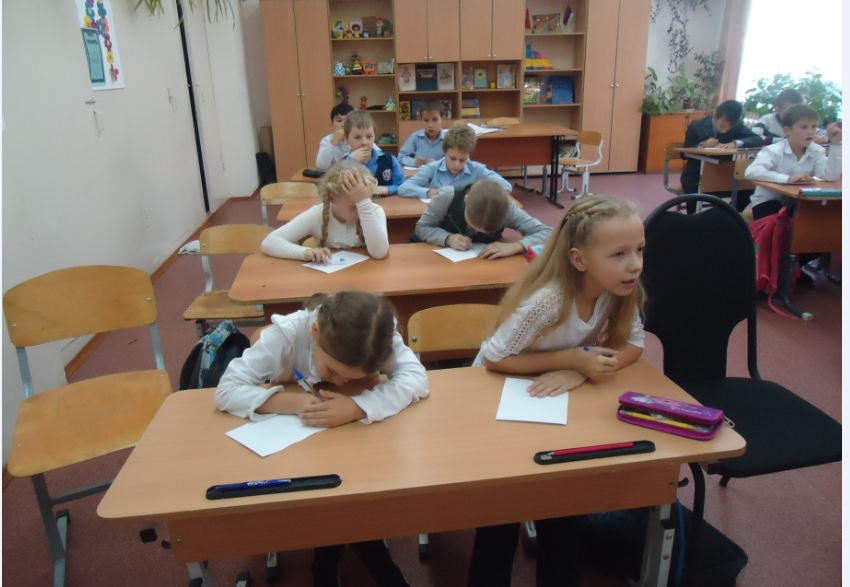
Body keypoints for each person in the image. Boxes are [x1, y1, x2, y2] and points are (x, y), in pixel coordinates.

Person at [468, 195, 646, 587]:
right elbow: (495, 359)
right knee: (502, 511)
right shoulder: (548, 300)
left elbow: (634, 345)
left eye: (639, 250)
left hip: (551, 395)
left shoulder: (620, 289)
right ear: (579, 260)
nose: (635, 264)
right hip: (497, 393)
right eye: (619, 254)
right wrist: (573, 359)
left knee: (564, 503)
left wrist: (580, 370)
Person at [215, 290, 428, 587]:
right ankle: (358, 566)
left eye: (352, 379)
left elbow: (416, 377)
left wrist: (357, 406)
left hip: (353, 440)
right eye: (333, 371)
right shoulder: (289, 334)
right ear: (315, 332)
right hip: (295, 447)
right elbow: (226, 390)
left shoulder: (379, 334)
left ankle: (327, 564)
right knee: (336, 496)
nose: (339, 382)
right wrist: (293, 403)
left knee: (353, 488)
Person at [261, 160, 389, 261]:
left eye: (365, 201)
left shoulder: (373, 211)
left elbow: (379, 253)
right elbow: (270, 242)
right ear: (332, 198)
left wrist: (364, 204)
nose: (361, 211)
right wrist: (305, 252)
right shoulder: (317, 214)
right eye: (353, 206)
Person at [745, 104, 842, 219]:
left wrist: (836, 144)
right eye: (804, 127)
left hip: (798, 202)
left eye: (814, 127)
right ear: (787, 130)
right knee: (787, 217)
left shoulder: (817, 151)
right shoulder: (774, 150)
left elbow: (829, 177)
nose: (811, 132)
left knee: (824, 213)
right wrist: (787, 179)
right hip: (768, 203)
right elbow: (752, 171)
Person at [414, 179, 551, 259]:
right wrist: (447, 238)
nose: (475, 232)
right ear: (466, 201)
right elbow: (422, 227)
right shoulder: (447, 197)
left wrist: (517, 246)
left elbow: (548, 232)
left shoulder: (507, 209)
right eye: (472, 225)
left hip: (484, 264)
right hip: (441, 262)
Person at [398, 124, 513, 199]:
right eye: (452, 158)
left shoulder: (476, 169)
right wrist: (429, 192)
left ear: (469, 155)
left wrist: (478, 194)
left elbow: (506, 187)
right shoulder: (432, 168)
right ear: (444, 151)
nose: (457, 164)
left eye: (462, 160)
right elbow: (403, 188)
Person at [680, 99, 763, 196]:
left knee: (748, 187)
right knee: (692, 188)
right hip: (697, 174)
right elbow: (683, 152)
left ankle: (731, 206)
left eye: (730, 127)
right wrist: (702, 145)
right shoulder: (697, 126)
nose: (725, 131)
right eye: (722, 126)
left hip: (726, 173)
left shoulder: (737, 126)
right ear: (715, 115)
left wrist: (736, 143)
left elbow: (757, 140)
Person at [344, 110, 405, 196]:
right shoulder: (343, 164)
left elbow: (403, 186)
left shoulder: (389, 160)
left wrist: (387, 189)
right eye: (357, 137)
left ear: (374, 136)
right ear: (346, 139)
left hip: (386, 203)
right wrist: (350, 161)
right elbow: (335, 190)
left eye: (369, 136)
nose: (364, 142)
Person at [398, 101, 447, 167]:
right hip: (419, 172)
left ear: (442, 118)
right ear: (421, 120)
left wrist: (437, 164)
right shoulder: (415, 137)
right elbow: (401, 158)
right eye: (426, 120)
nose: (430, 125)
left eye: (435, 120)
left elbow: (456, 160)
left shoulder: (449, 138)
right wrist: (414, 162)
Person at [316, 103, 354, 169]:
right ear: (332, 124)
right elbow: (321, 165)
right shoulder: (327, 140)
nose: (343, 125)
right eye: (339, 120)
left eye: (348, 121)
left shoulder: (359, 137)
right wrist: (333, 142)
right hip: (334, 174)